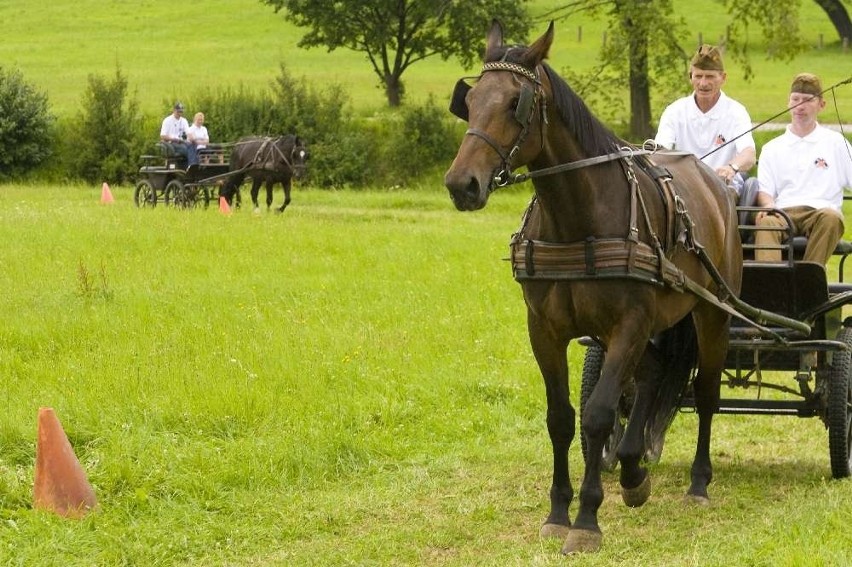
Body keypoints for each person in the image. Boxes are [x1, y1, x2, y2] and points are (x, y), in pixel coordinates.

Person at [754, 72, 852, 264]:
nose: (800, 106)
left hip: (821, 213)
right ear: (788, 103)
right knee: (766, 223)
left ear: (821, 105)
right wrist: (768, 205)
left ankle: (808, 281)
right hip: (783, 212)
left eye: (807, 100)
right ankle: (769, 287)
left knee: (832, 217)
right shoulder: (772, 147)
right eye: (796, 99)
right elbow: (765, 192)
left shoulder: (836, 143)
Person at [655, 44, 756, 192]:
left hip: (724, 190)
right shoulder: (674, 111)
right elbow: (660, 151)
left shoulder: (736, 112)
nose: (703, 83)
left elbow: (749, 154)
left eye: (710, 77)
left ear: (723, 78)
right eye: (698, 76)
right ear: (690, 77)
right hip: (685, 190)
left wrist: (731, 168)